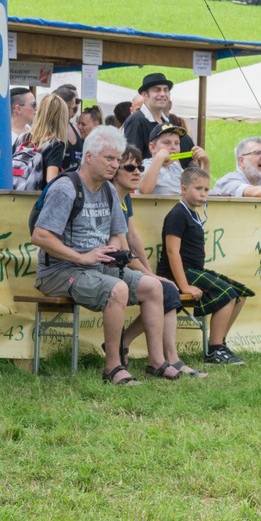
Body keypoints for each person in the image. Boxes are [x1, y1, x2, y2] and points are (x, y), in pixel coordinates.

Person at [31, 125, 179, 385]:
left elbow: (118, 235)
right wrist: (82, 257)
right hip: (59, 271)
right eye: (109, 158)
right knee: (118, 289)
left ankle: (156, 362)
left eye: (117, 159)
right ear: (89, 156)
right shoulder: (65, 188)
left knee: (153, 286)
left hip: (96, 268)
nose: (115, 165)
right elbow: (40, 236)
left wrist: (111, 251)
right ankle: (113, 366)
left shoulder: (110, 190)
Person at [108, 147, 206, 376]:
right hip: (107, 267)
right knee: (164, 288)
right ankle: (165, 360)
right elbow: (122, 248)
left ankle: (164, 358)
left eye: (140, 167)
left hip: (121, 266)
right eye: (130, 167)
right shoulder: (111, 196)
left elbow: (133, 238)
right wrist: (150, 276)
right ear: (114, 171)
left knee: (165, 288)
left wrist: (150, 272)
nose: (137, 172)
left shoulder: (125, 198)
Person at [159, 167, 253, 365]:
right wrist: (184, 286)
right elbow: (172, 252)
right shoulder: (177, 214)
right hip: (179, 273)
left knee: (240, 293)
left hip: (195, 271)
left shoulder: (193, 213)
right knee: (226, 293)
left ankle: (220, 343)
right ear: (183, 189)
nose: (203, 193)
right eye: (198, 188)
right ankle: (214, 351)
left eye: (206, 189)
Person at [139, 123, 208, 195]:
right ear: (152, 147)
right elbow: (145, 190)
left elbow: (200, 189)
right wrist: (159, 158)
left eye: (177, 143)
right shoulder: (146, 165)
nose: (173, 147)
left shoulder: (176, 167)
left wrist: (206, 162)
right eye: (167, 142)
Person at [122, 72, 174, 159]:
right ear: (144, 95)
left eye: (166, 90)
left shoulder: (167, 122)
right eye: (157, 90)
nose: (162, 94)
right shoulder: (136, 120)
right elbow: (131, 159)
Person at [27, 93, 74, 185]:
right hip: (37, 196)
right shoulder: (54, 144)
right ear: (61, 118)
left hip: (16, 194)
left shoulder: (23, 137)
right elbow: (51, 180)